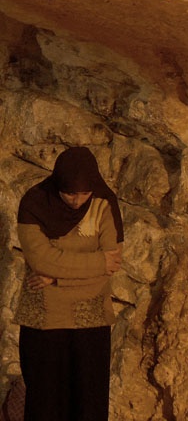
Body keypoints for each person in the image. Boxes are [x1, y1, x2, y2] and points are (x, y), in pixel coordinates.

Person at [14, 147, 124, 421]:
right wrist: (96, 262)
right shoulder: (34, 203)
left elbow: (111, 265)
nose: (77, 201)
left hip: (91, 320)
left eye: (84, 193)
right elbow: (42, 261)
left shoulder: (103, 204)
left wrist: (57, 278)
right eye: (69, 193)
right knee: (45, 403)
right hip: (44, 319)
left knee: (89, 403)